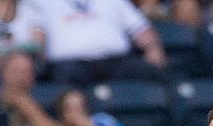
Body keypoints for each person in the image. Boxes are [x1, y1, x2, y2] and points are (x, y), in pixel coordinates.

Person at [29, 0, 167, 84]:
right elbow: (37, 35)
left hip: (116, 61)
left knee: (155, 73)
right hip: (69, 65)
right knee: (65, 80)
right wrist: (39, 55)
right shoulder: (42, 2)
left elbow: (139, 28)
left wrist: (152, 48)